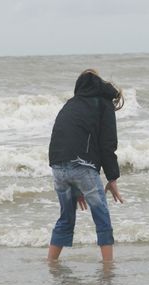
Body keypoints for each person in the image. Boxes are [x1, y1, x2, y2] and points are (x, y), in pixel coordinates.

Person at [48, 69, 124, 261]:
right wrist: (112, 177)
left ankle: (51, 262)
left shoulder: (70, 104)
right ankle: (108, 267)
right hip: (82, 166)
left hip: (57, 166)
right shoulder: (103, 104)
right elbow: (107, 144)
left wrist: (74, 183)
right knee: (102, 217)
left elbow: (63, 137)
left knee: (65, 219)